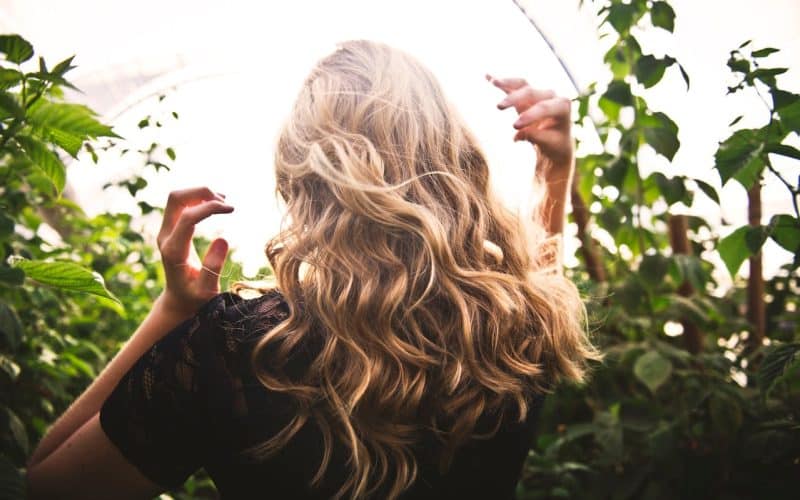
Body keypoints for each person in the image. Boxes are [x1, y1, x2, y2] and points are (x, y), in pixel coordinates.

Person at [26, 40, 598, 499]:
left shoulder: (235, 348)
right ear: (452, 155)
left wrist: (174, 311)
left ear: (302, 177)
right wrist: (554, 167)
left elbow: (49, 485)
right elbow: (536, 280)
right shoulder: (520, 327)